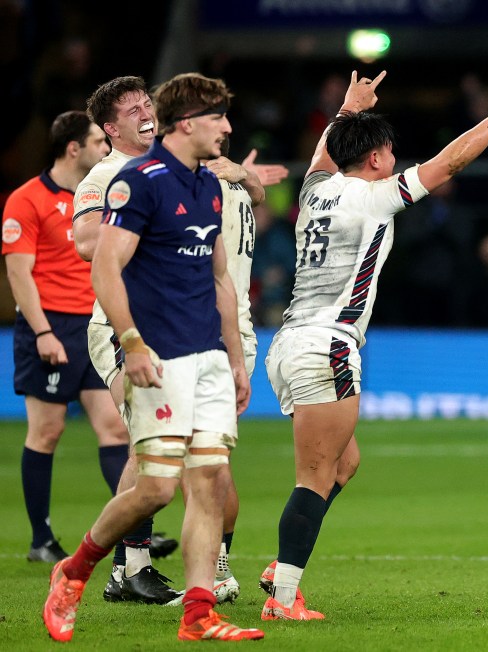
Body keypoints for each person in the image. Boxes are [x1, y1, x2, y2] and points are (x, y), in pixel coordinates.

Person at [258, 68, 488, 621]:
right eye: (390, 150)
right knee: (314, 477)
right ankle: (284, 597)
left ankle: (281, 566)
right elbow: (451, 162)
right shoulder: (377, 197)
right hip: (327, 344)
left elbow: (321, 157)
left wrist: (345, 109)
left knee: (343, 465)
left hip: (289, 343)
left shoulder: (315, 192)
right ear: (379, 158)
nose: (396, 158)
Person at [42, 72, 263, 642]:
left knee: (209, 480)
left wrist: (235, 358)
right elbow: (103, 264)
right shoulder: (134, 182)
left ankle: (198, 615)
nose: (228, 128)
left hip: (209, 353)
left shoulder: (207, 185)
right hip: (157, 352)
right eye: (218, 118)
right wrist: (132, 342)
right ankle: (79, 567)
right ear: (187, 123)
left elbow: (219, 280)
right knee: (158, 487)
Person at [73, 75, 181, 605]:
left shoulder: (170, 167)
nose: (146, 111)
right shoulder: (104, 175)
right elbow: (87, 241)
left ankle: (122, 570)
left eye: (148, 103)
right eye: (132, 108)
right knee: (151, 443)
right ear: (110, 129)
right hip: (120, 327)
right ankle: (129, 565)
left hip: (169, 323)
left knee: (164, 447)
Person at [2, 111, 115, 563]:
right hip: (48, 325)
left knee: (114, 426)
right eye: (98, 142)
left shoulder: (101, 196)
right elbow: (18, 273)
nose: (106, 150)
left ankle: (132, 534)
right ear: (74, 148)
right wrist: (43, 332)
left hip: (94, 324)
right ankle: (41, 538)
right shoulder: (26, 200)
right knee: (46, 432)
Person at [205, 139, 289, 602]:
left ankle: (127, 560)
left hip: (206, 328)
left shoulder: (193, 185)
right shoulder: (236, 187)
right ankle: (217, 566)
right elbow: (256, 193)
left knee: (168, 461)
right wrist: (249, 175)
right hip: (240, 329)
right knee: (215, 461)